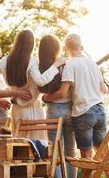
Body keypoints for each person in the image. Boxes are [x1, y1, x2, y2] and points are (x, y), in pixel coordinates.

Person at [0, 30, 65, 139]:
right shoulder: (32, 62)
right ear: (31, 44)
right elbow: (41, 81)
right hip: (33, 112)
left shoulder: (5, 61)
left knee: (18, 148)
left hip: (16, 112)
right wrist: (55, 65)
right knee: (36, 147)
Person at [43, 34, 107, 161]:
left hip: (84, 112)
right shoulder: (93, 64)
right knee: (102, 154)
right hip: (100, 110)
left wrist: (45, 98)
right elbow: (103, 90)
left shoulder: (70, 65)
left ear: (66, 49)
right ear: (81, 47)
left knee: (86, 157)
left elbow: (62, 93)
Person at [38, 35, 77, 178]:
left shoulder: (42, 67)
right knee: (70, 150)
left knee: (55, 151)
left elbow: (43, 90)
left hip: (53, 110)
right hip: (70, 109)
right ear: (57, 48)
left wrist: (45, 98)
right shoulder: (66, 63)